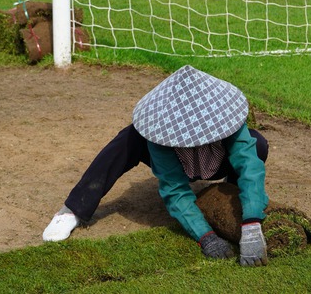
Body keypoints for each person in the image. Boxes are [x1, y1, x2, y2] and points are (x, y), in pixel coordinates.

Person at [42, 65, 269, 266]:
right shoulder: (159, 132)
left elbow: (250, 167)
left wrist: (250, 223)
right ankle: (72, 210)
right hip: (178, 165)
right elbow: (175, 189)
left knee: (257, 144)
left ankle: (233, 191)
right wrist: (206, 236)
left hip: (216, 162)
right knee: (127, 138)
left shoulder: (226, 117)